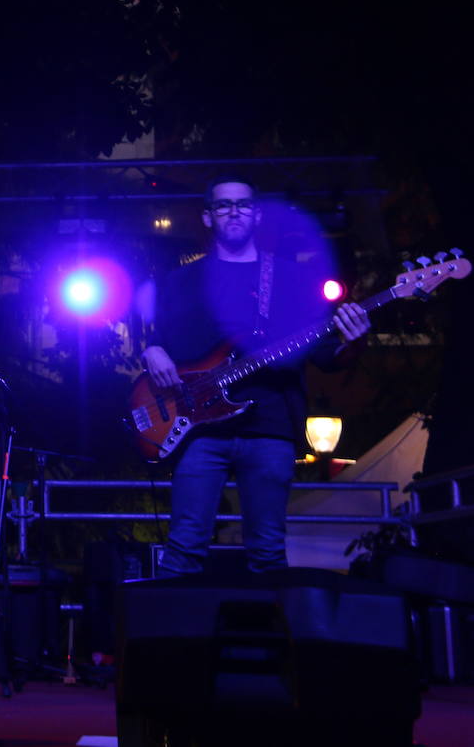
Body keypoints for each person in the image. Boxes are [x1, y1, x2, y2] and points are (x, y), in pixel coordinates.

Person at [138, 175, 370, 576]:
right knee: (184, 547)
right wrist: (150, 349)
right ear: (208, 217)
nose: (234, 212)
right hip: (197, 428)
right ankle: (176, 638)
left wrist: (353, 338)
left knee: (267, 551)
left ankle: (271, 639)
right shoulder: (182, 280)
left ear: (257, 215)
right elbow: (159, 338)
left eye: (243, 205)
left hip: (269, 425)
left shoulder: (293, 280)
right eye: (223, 205)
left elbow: (327, 355)